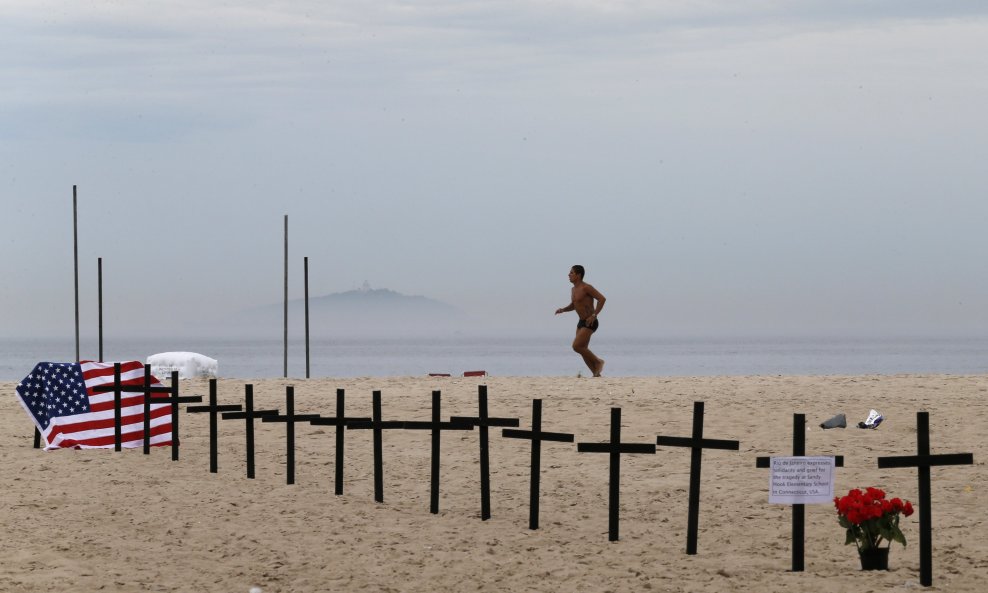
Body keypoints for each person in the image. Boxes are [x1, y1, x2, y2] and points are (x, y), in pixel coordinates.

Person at [555, 265, 606, 376]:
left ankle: (598, 361)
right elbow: (574, 305)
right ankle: (596, 374)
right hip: (581, 322)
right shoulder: (573, 290)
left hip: (590, 322)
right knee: (583, 349)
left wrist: (594, 315)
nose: (569, 275)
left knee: (577, 346)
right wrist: (563, 309)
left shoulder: (586, 287)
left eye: (571, 273)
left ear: (578, 275)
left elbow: (602, 299)